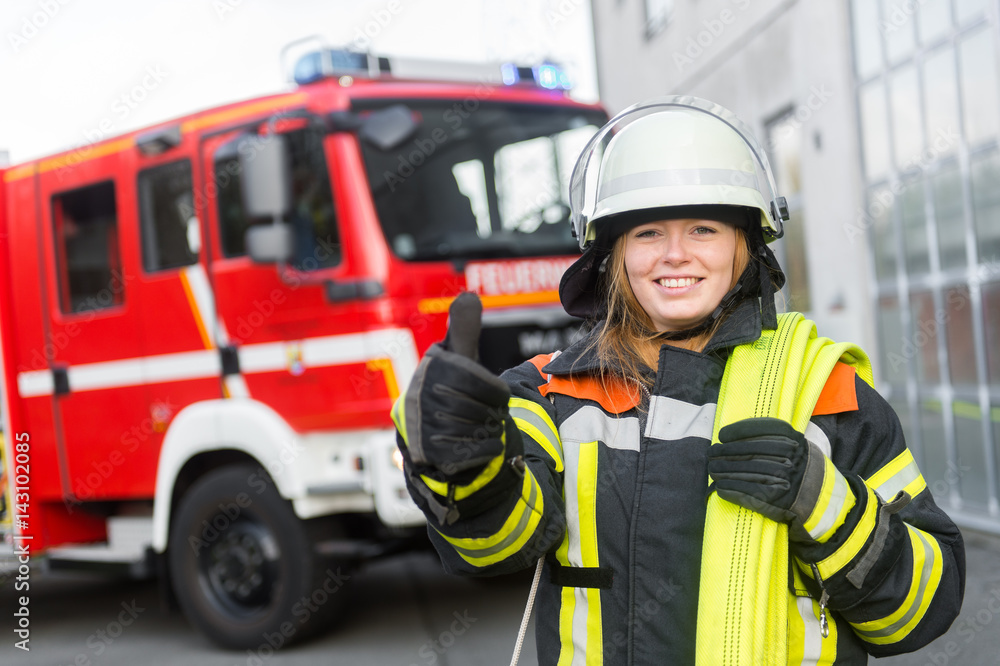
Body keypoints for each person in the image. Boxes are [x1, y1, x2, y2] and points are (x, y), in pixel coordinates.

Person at [391, 96, 965, 665]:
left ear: (746, 244)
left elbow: (918, 613)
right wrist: (463, 470)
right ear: (612, 254)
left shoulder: (824, 392)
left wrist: (824, 502)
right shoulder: (548, 396)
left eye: (702, 228)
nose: (674, 254)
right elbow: (494, 547)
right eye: (647, 233)